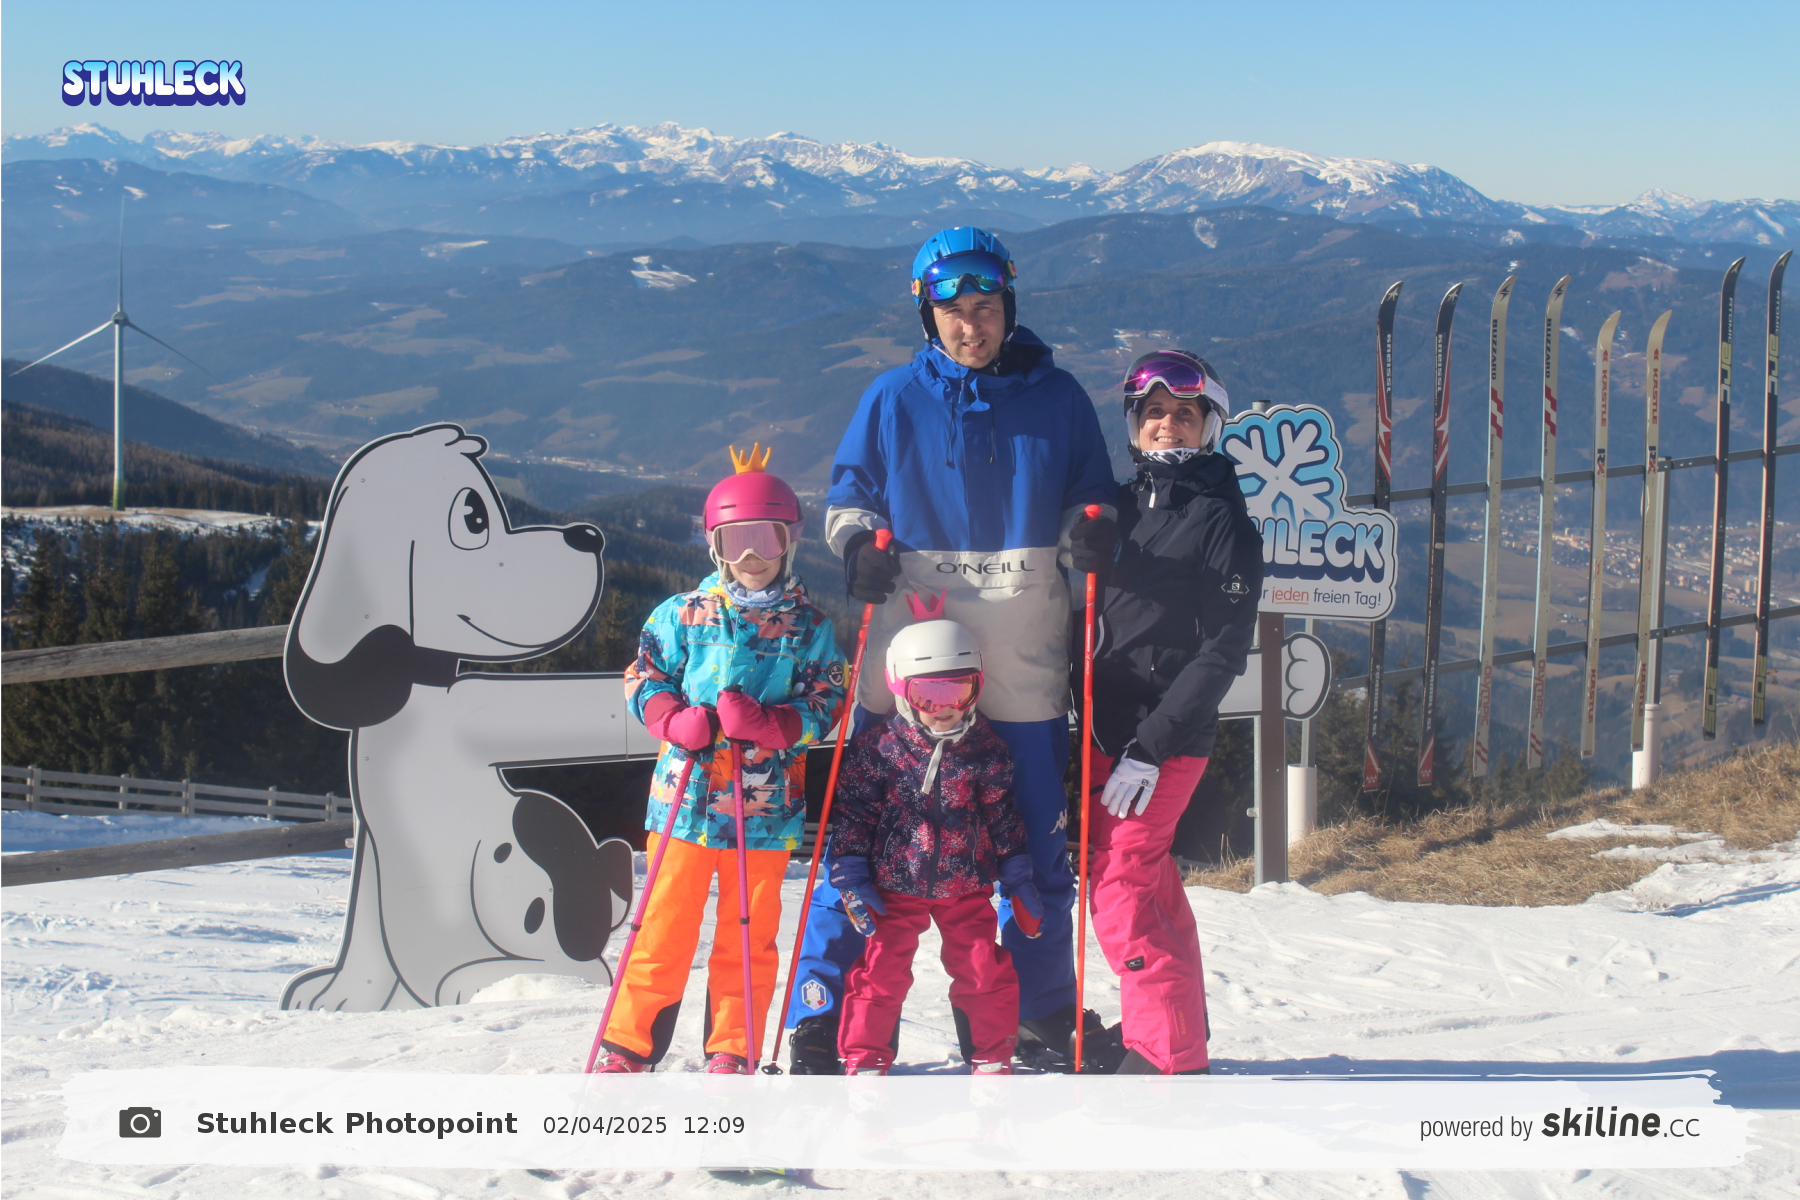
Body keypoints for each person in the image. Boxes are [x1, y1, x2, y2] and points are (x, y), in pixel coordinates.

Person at [784, 226, 1118, 1074]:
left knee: (1033, 841)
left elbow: (1092, 492)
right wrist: (857, 548)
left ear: (1009, 304)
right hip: (910, 646)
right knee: (863, 834)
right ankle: (827, 1008)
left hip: (1020, 645)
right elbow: (850, 494)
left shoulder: (1060, 398)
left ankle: (1038, 1010)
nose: (973, 325)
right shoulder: (894, 397)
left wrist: (1093, 530)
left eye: (986, 306)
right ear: (926, 316)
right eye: (954, 311)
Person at [598, 444, 845, 1074]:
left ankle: (732, 1048)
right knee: (663, 925)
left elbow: (827, 698)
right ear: (714, 546)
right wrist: (669, 718)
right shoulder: (683, 614)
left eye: (766, 538)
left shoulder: (809, 626)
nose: (751, 556)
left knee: (749, 934)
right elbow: (644, 674)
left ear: (789, 541)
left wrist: (777, 724)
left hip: (765, 809)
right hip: (683, 802)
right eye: (736, 541)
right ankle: (628, 1045)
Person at [1085, 350, 1262, 1075]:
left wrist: (1151, 746)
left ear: (1208, 425)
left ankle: (1164, 1058)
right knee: (1149, 882)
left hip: (1165, 739)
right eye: (1153, 412)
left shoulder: (1223, 522)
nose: (1167, 424)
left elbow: (1222, 651)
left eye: (1184, 413)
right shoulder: (1118, 506)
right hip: (1104, 728)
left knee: (1121, 889)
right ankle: (1179, 1028)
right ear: (1134, 422)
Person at [828, 609, 1042, 1075]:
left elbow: (1002, 815)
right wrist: (851, 875)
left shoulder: (986, 749)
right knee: (881, 971)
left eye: (958, 691)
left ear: (977, 687)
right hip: (893, 886)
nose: (944, 707)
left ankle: (991, 1055)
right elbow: (854, 815)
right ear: (900, 690)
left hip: (965, 884)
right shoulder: (879, 749)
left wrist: (1018, 876)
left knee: (982, 968)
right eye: (927, 694)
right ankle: (865, 1056)